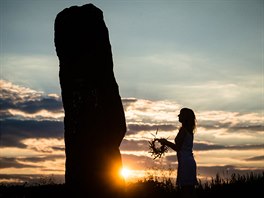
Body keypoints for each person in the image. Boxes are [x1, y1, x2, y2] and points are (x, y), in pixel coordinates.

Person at [158, 108, 198, 198]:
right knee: (190, 190)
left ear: (185, 117)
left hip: (185, 162)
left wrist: (165, 142)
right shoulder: (189, 131)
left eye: (181, 114)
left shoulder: (183, 130)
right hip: (189, 161)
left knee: (185, 191)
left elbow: (178, 148)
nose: (178, 116)